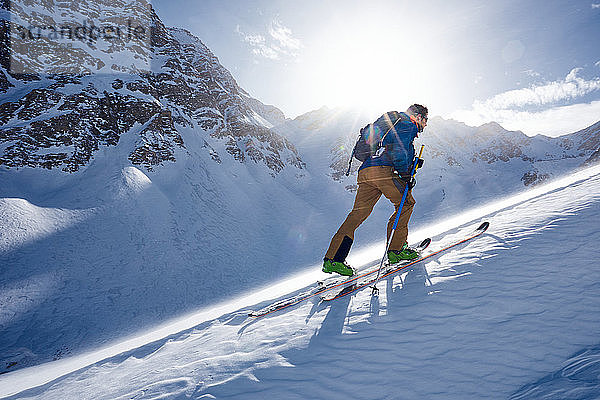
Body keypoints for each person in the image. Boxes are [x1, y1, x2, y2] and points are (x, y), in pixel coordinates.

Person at [322, 104, 429, 276]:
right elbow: (399, 150)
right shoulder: (407, 124)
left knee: (357, 214)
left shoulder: (393, 123)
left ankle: (333, 259)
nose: (425, 124)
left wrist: (411, 164)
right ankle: (396, 250)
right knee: (406, 203)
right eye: (425, 120)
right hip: (383, 171)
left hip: (366, 172)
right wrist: (405, 174)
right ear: (417, 116)